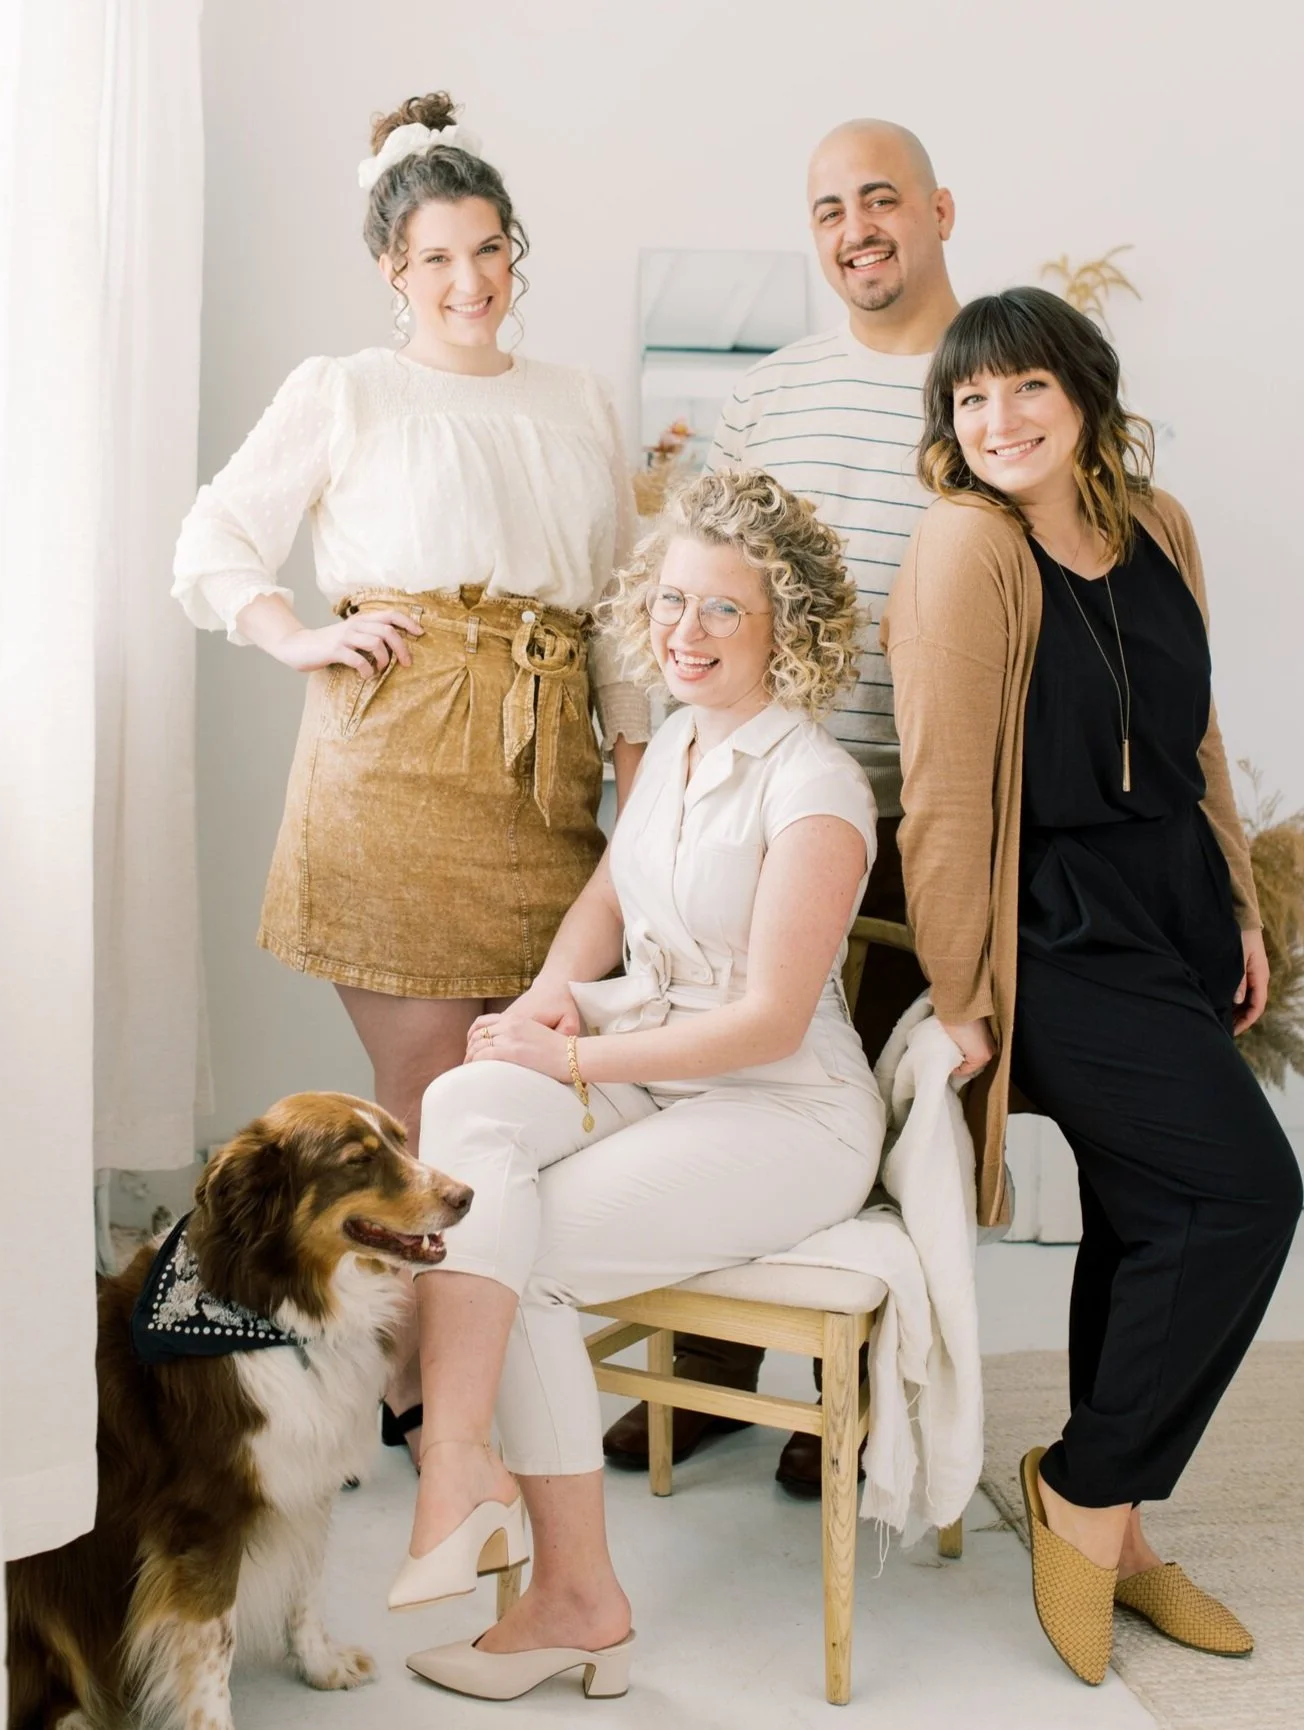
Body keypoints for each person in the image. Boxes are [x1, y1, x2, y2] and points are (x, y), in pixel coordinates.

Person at [172, 92, 648, 1457]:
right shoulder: (347, 389)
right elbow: (214, 538)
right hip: (396, 754)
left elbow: (619, 606)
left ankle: (462, 1364)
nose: (469, 279)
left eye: (488, 249)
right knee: (431, 1089)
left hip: (546, 763)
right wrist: (297, 634)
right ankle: (426, 1398)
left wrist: (639, 768)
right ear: (394, 267)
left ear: (514, 249)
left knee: (522, 1083)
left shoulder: (575, 399)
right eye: (437, 256)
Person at [391, 470, 886, 1702]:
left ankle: (575, 1598)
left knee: (523, 1244)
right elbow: (608, 895)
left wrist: (570, 1057)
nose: (683, 631)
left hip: (784, 1108)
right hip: (654, 1055)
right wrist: (543, 1001)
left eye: (722, 609)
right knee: (463, 1104)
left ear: (786, 628)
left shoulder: (815, 785)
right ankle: (458, 1462)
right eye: (670, 600)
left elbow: (767, 1022)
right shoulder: (672, 738)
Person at [886, 285, 1301, 1684]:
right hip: (1053, 929)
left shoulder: (1156, 523)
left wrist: (1238, 906)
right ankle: (1082, 1484)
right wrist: (961, 990)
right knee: (1247, 1193)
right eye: (969, 399)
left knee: (1151, 1211)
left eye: (1026, 389)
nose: (997, 420)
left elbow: (1198, 736)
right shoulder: (965, 546)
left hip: (1172, 905)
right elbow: (943, 790)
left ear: (1084, 395)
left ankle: (1117, 1533)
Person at [606, 117, 959, 1494]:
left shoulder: (990, 381)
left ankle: (851, 1396)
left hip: (921, 813)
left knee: (884, 1109)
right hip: (768, 798)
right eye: (829, 209)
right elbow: (702, 566)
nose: (856, 229)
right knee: (731, 1080)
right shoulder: (773, 392)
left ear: (937, 209)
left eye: (881, 199)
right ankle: (710, 1360)